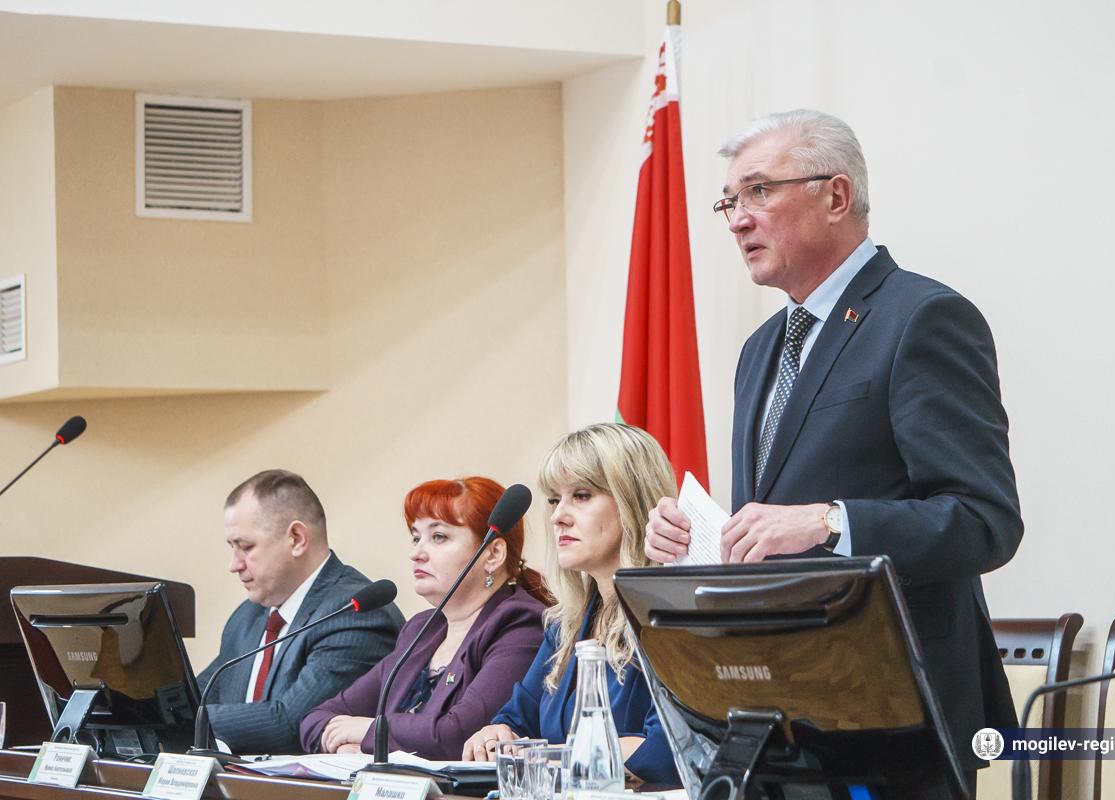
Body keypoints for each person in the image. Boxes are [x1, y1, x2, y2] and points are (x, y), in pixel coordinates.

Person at [645, 110, 1022, 797]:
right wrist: (695, 540)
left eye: (759, 191)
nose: (737, 219)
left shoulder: (921, 318)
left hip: (894, 727)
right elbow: (772, 524)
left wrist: (829, 521)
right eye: (729, 201)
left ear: (836, 196)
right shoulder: (760, 351)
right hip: (781, 723)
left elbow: (983, 522)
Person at [462, 423, 679, 785]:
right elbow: (517, 719)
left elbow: (664, 751)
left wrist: (551, 755)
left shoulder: (671, 616)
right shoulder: (566, 623)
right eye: (554, 499)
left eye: (581, 495)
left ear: (633, 501)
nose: (557, 516)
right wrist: (495, 734)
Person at [300, 477, 552, 758]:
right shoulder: (422, 630)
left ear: (492, 554)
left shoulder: (520, 624)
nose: (416, 553)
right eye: (416, 537)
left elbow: (456, 735)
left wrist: (369, 732)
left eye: (438, 537)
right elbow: (316, 718)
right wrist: (347, 746)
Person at [197, 469, 404, 754]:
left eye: (246, 547)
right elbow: (198, 696)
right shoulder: (248, 616)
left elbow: (291, 724)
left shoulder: (355, 613)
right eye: (232, 547)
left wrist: (187, 721)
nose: (234, 565)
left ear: (296, 539)